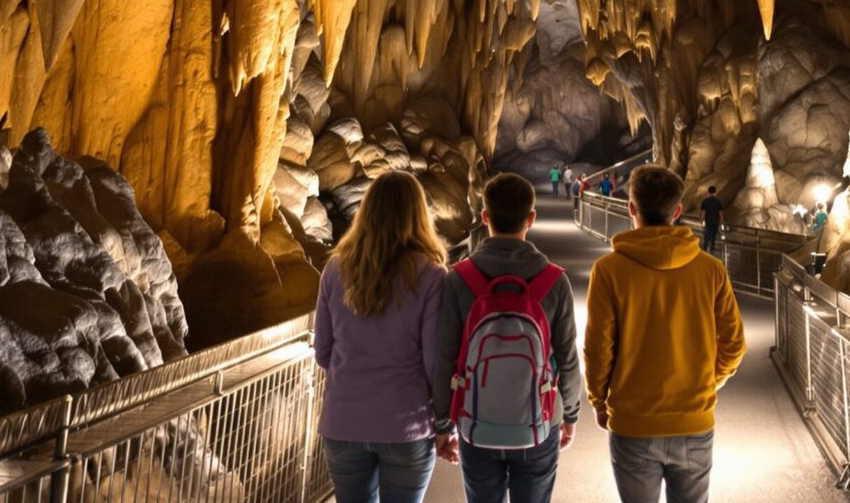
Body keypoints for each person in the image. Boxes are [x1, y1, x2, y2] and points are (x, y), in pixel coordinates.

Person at [585, 165, 745, 503]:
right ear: (676, 212)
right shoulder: (710, 270)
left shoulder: (609, 270)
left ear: (631, 208)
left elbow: (598, 346)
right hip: (694, 420)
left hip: (633, 422)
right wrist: (707, 380)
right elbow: (734, 343)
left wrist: (599, 399)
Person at [433, 173, 583, 502]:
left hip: (475, 421)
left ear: (484, 217)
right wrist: (570, 414)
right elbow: (568, 358)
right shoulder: (554, 282)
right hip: (539, 421)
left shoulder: (459, 279)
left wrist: (443, 422)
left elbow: (444, 358)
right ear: (531, 218)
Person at [313, 171, 447, 503]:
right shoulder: (431, 276)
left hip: (344, 422)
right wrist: (447, 425)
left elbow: (322, 351)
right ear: (419, 215)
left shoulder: (335, 270)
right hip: (406, 424)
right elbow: (435, 363)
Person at [698, 186, 724, 254]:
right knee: (713, 237)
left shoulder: (705, 201)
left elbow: (703, 212)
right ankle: (712, 251)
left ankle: (704, 250)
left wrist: (701, 220)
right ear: (715, 192)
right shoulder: (718, 201)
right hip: (715, 222)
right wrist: (721, 222)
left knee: (707, 236)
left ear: (708, 192)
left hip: (708, 222)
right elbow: (720, 213)